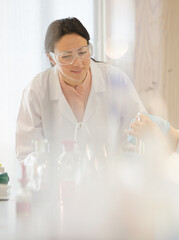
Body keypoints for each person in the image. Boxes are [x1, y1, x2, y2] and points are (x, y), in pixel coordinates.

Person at [16, 17, 145, 161]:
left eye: (83, 53)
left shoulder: (114, 79)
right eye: (66, 56)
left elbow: (141, 133)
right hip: (59, 180)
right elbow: (26, 153)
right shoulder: (36, 90)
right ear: (51, 58)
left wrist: (127, 165)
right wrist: (50, 168)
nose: (77, 63)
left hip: (111, 177)